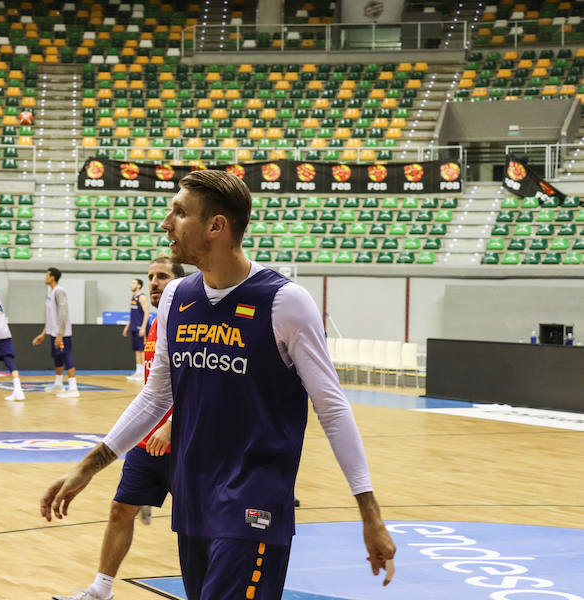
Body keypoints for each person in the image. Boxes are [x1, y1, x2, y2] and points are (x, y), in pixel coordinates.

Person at [41, 171, 396, 599]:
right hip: (194, 501)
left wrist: (369, 511)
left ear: (216, 226)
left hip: (254, 502)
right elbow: (157, 396)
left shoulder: (285, 302)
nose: (166, 223)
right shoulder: (177, 298)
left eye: (179, 212)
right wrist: (89, 466)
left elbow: (333, 408)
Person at [53, 256, 184, 600]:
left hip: (184, 444)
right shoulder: (155, 324)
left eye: (163, 276)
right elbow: (153, 392)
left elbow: (200, 386)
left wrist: (172, 424)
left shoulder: (189, 323)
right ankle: (101, 590)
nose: (154, 282)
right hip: (146, 442)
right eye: (151, 276)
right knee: (119, 509)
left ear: (180, 282)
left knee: (193, 532)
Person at [32, 267, 78, 399]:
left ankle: (73, 388)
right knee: (57, 358)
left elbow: (64, 313)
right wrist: (43, 333)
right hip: (54, 333)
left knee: (66, 356)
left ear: (52, 277)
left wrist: (60, 334)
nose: (45, 277)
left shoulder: (59, 291)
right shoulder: (51, 293)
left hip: (62, 334)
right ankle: (59, 384)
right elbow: (51, 317)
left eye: (47, 275)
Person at [122, 278, 150, 383]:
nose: (131, 285)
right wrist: (127, 327)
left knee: (143, 350)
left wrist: (143, 327)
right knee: (137, 350)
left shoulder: (142, 297)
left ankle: (144, 373)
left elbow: (147, 312)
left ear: (139, 286)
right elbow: (132, 314)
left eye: (133, 283)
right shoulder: (133, 297)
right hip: (134, 327)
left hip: (141, 327)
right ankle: (138, 371)